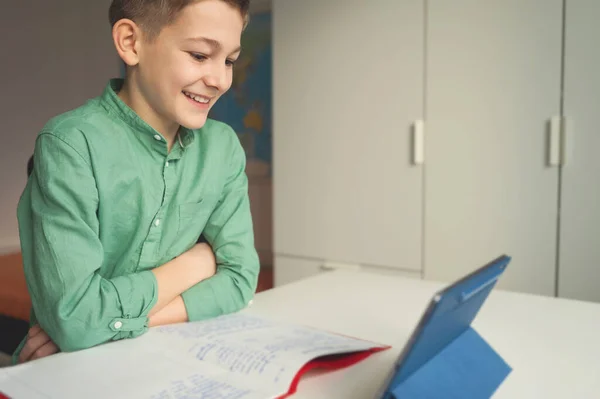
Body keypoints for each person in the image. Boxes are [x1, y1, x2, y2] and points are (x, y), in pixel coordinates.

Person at [13, 0, 258, 364]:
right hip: (69, 371)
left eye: (229, 60)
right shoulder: (71, 145)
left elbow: (240, 280)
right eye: (199, 55)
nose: (220, 80)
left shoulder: (222, 148)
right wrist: (196, 264)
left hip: (171, 361)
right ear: (130, 42)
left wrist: (109, 327)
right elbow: (76, 318)